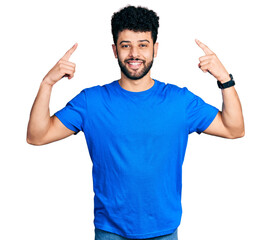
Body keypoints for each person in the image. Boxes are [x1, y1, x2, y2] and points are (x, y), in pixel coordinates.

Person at [26, 5, 245, 240]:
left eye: (143, 44)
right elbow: (37, 136)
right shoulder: (92, 101)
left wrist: (224, 79)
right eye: (125, 45)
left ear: (155, 49)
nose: (134, 53)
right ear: (114, 50)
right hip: (110, 231)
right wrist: (47, 83)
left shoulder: (179, 101)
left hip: (164, 231)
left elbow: (234, 129)